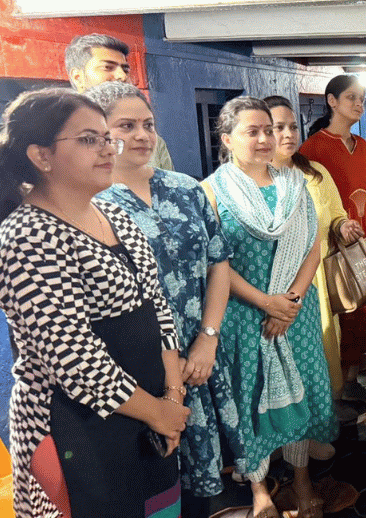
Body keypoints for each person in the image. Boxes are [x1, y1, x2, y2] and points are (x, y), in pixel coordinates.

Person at [0, 88, 188, 517]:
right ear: (41, 156)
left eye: (107, 138)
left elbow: (156, 305)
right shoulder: (29, 236)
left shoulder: (113, 213)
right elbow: (75, 359)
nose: (107, 149)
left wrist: (172, 393)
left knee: (159, 509)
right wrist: (157, 412)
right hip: (78, 430)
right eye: (89, 139)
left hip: (148, 413)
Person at [86, 81, 231, 517]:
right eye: (125, 126)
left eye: (148, 124)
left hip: (197, 356)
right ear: (99, 134)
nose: (142, 136)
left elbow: (218, 262)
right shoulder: (88, 203)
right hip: (135, 367)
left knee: (200, 487)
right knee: (149, 482)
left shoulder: (186, 188)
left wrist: (208, 338)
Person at [204, 97, 336, 518]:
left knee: (302, 398)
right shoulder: (209, 191)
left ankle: (300, 479)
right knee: (250, 399)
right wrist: (267, 304)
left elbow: (312, 246)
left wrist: (292, 300)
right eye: (252, 131)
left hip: (296, 313)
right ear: (227, 139)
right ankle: (260, 489)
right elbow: (215, 262)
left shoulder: (293, 183)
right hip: (244, 317)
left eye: (270, 130)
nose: (266, 139)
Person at [266, 94, 363, 414]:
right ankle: (286, 440)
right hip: (274, 287)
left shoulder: (315, 173)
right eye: (278, 127)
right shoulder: (253, 181)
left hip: (318, 284)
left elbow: (335, 216)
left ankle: (318, 428)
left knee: (319, 354)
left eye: (293, 127)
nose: (289, 134)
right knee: (280, 361)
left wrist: (342, 227)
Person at [302, 75, 366, 404]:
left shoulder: (362, 146)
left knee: (364, 311)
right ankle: (335, 390)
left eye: (362, 99)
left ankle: (351, 382)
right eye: (351, 98)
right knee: (341, 313)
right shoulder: (313, 148)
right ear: (332, 101)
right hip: (334, 247)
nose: (359, 105)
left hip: (362, 241)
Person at [65, 33, 173, 171]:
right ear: (78, 77)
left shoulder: (151, 142)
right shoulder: (56, 141)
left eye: (125, 69)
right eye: (108, 68)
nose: (122, 76)